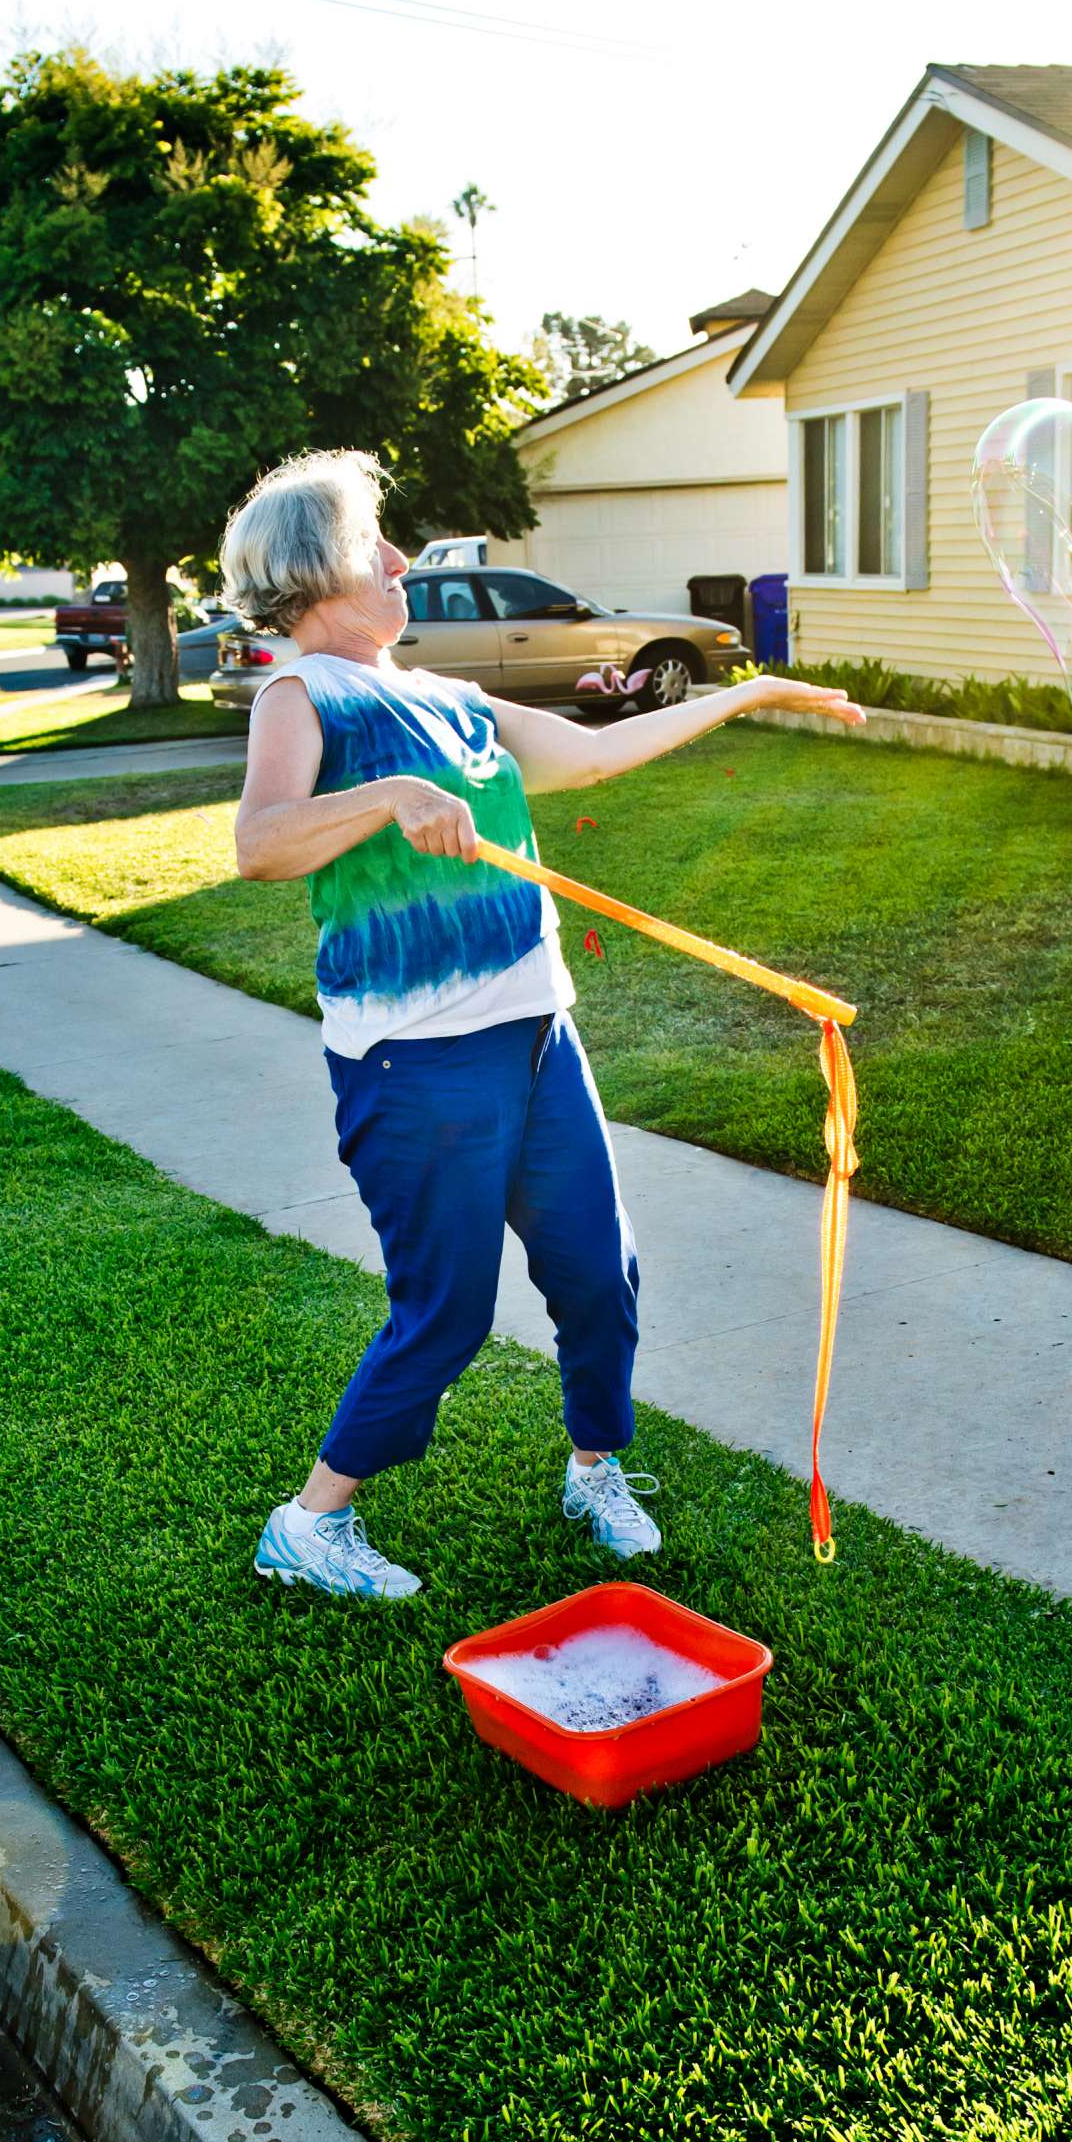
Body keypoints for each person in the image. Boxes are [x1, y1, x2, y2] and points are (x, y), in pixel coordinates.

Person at [223, 450, 861, 1601]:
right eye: (377, 541)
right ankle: (309, 1523)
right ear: (317, 567)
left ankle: (594, 1467)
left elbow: (599, 752)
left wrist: (752, 694)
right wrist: (385, 796)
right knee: (450, 1310)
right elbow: (260, 843)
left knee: (596, 1274)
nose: (401, 559)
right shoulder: (302, 695)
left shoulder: (453, 700)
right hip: (413, 1062)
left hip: (535, 1036)